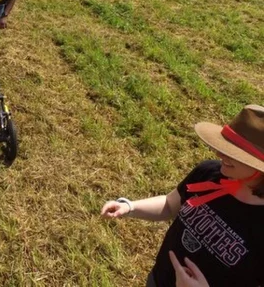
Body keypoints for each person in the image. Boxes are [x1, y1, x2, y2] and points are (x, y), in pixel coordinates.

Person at [101, 104, 264, 287]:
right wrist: (130, 207)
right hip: (159, 279)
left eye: (235, 153)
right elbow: (170, 204)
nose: (219, 153)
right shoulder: (209, 173)